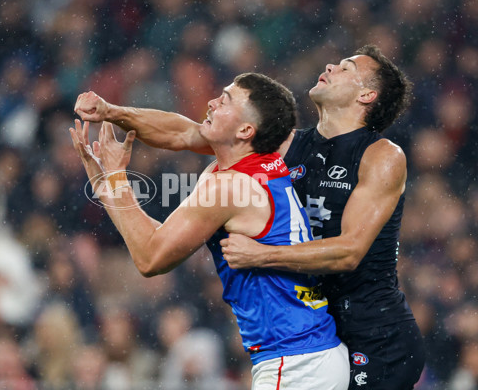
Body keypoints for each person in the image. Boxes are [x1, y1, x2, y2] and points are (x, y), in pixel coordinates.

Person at [73, 45, 425, 389]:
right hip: (318, 328)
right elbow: (181, 132)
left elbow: (349, 252)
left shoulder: (381, 156)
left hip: (375, 333)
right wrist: (110, 111)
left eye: (346, 66)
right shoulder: (284, 146)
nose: (332, 66)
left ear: (367, 95)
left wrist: (263, 255)